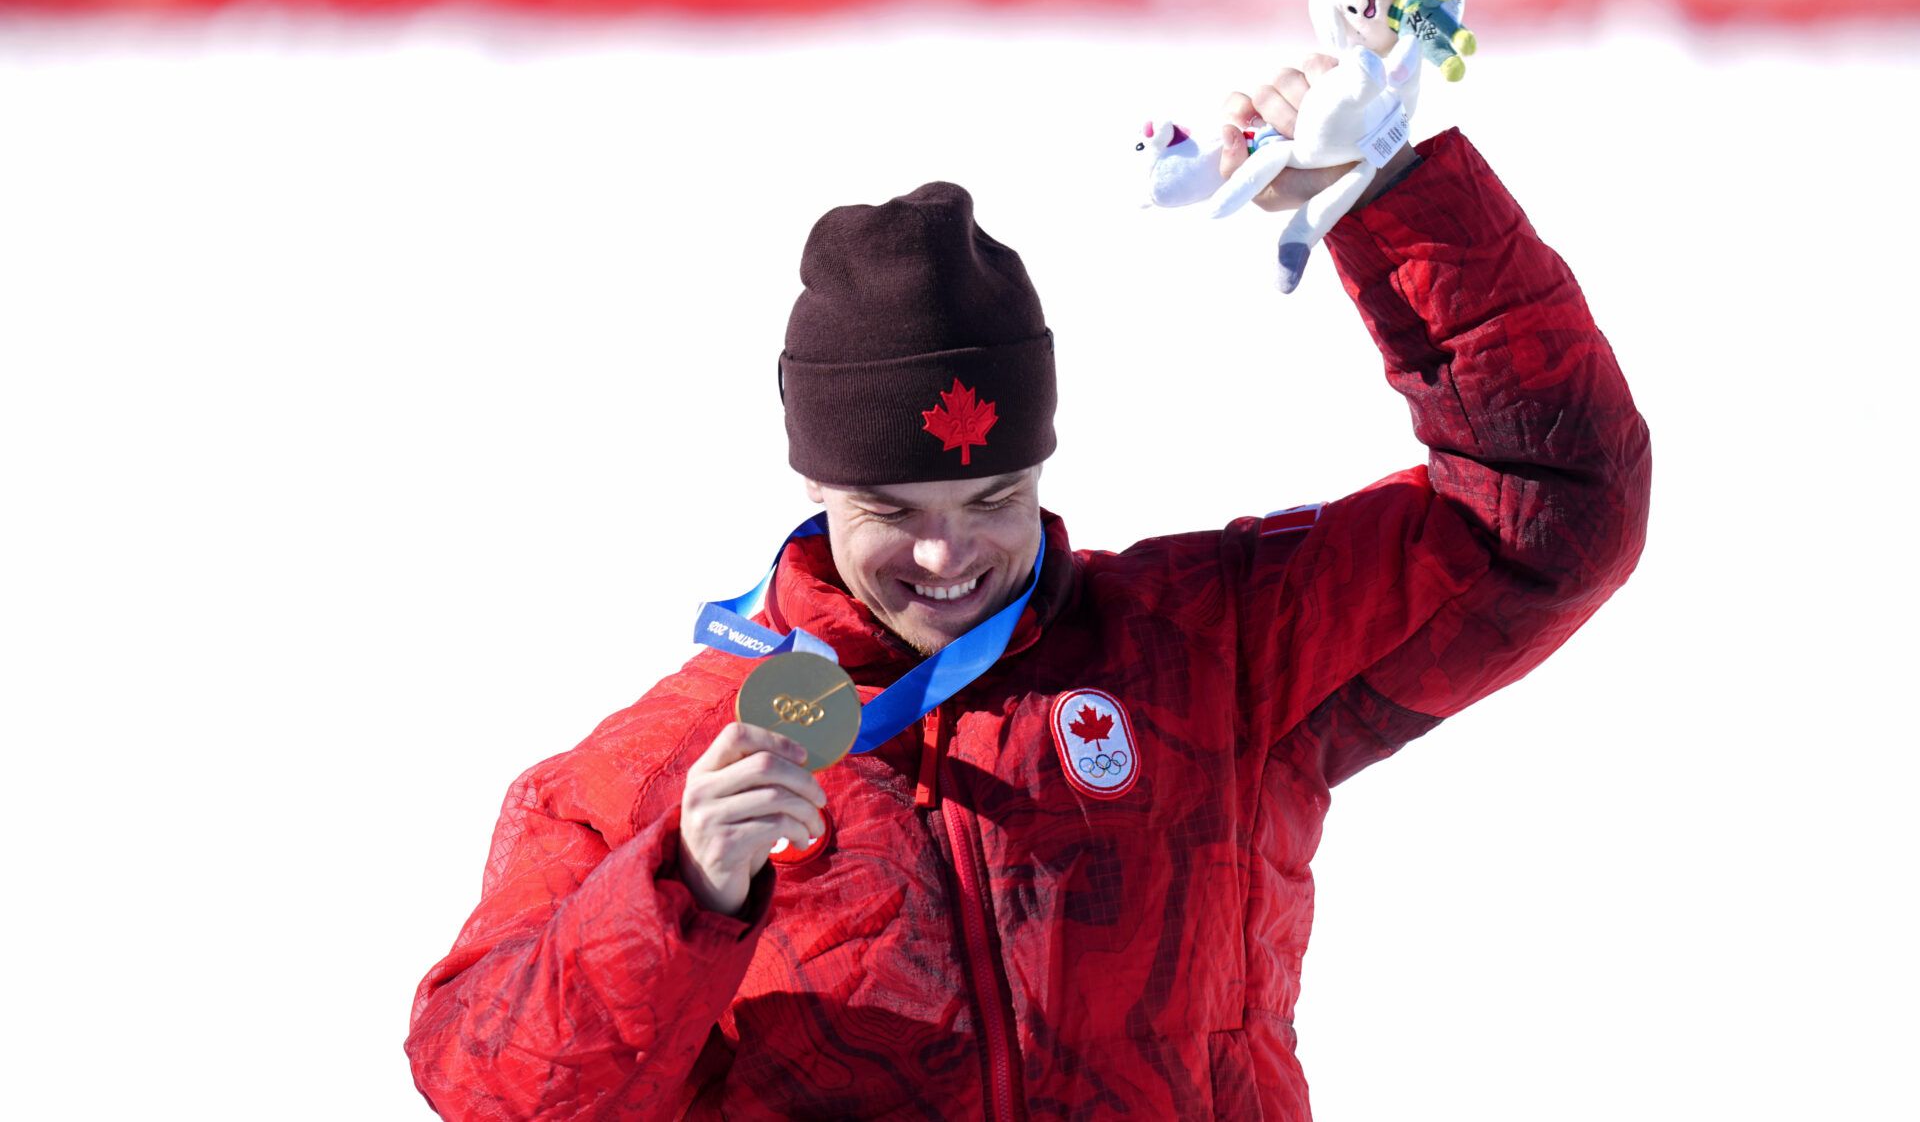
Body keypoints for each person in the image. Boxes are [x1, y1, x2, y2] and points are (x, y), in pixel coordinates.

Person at [405, 55, 1652, 1120]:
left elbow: (1556, 512)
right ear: (817, 486)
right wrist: (678, 886)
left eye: (993, 498)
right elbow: (483, 1079)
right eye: (892, 514)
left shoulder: (1209, 652)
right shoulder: (665, 765)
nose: (947, 557)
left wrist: (1387, 200)